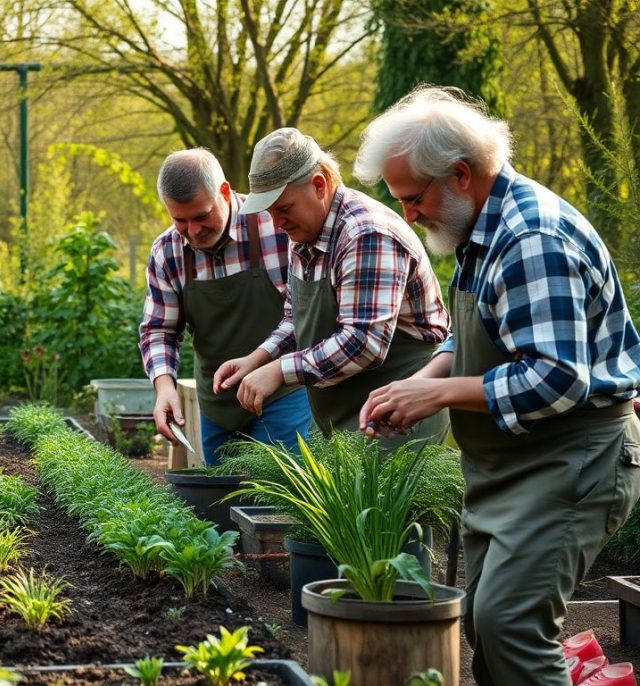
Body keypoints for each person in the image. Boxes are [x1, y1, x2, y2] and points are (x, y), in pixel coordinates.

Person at [353, 86, 640, 685]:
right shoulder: (480, 231)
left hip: (572, 461)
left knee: (511, 627)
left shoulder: (531, 240)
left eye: (412, 198)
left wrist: (437, 396)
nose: (408, 214)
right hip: (513, 466)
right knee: (488, 627)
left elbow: (557, 378)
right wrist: (422, 378)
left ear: (459, 174)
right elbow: (475, 337)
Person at [212, 128, 450, 449]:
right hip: (343, 417)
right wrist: (257, 358)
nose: (276, 223)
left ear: (319, 185)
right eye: (269, 212)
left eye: (283, 208)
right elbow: (295, 318)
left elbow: (364, 342)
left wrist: (280, 371)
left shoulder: (365, 235)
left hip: (399, 416)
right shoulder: (304, 232)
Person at [140, 148, 313, 466]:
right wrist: (165, 388)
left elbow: (303, 315)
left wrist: (266, 363)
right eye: (180, 220)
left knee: (279, 502)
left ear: (224, 191)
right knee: (219, 504)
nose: (193, 231)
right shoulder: (168, 251)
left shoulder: (275, 227)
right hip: (218, 405)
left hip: (283, 393)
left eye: (202, 216)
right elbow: (159, 330)